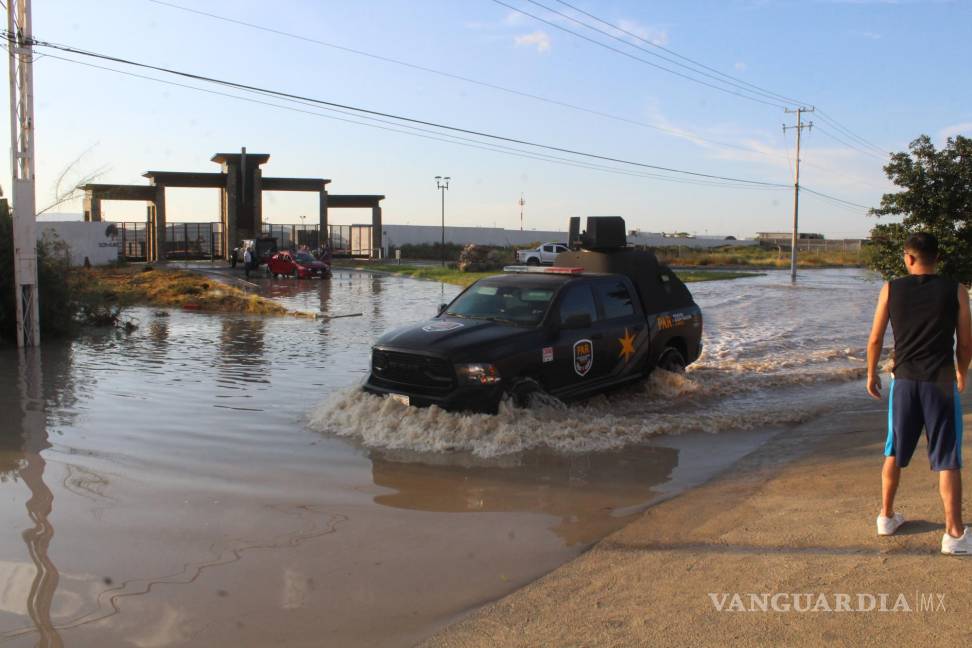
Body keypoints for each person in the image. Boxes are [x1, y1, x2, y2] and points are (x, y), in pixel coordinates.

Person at [866, 232, 972, 554]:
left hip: (904, 383)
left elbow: (875, 339)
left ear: (908, 258)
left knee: (894, 449)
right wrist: (962, 372)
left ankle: (886, 517)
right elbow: (966, 343)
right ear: (937, 258)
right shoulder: (957, 291)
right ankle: (954, 534)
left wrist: (871, 375)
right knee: (947, 456)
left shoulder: (890, 289)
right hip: (939, 385)